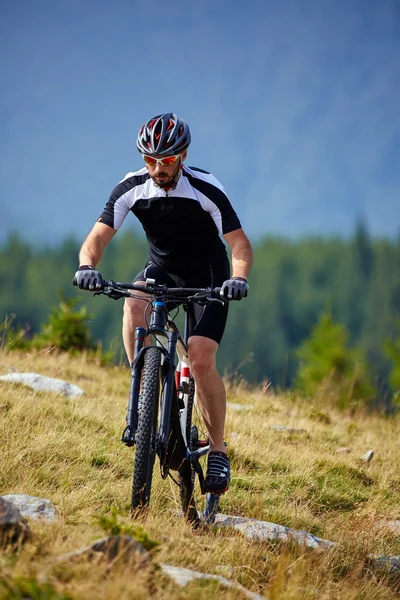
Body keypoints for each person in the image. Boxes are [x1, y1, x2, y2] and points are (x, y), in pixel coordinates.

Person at [74, 113, 253, 494]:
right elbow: (97, 238)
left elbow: (239, 244)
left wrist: (237, 279)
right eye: (150, 160)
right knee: (133, 303)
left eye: (167, 160)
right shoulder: (132, 187)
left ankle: (218, 450)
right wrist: (86, 266)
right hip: (163, 270)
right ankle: (143, 388)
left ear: (182, 155)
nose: (158, 168)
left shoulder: (205, 187)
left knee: (201, 360)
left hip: (209, 276)